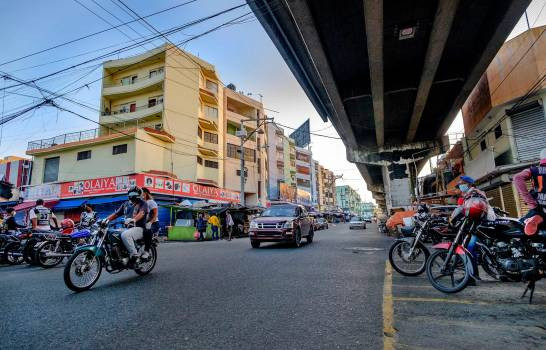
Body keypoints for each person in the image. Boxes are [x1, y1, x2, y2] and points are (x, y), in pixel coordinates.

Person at [105, 186, 148, 267]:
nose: (132, 195)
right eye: (131, 193)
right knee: (111, 234)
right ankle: (118, 256)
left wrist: (134, 220)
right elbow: (116, 214)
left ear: (139, 194)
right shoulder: (125, 204)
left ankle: (135, 256)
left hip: (139, 228)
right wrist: (105, 220)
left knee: (125, 235)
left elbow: (141, 213)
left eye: (135, 193)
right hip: (127, 228)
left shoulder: (143, 203)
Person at [514, 148, 546, 233]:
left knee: (518, 229)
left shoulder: (534, 170)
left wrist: (530, 202)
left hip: (538, 211)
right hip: (538, 214)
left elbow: (517, 178)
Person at [141, 187, 159, 257]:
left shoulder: (151, 202)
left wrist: (150, 222)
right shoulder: (141, 203)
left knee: (146, 232)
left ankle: (147, 251)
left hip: (154, 224)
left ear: (145, 193)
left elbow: (155, 214)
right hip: (145, 223)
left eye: (141, 193)